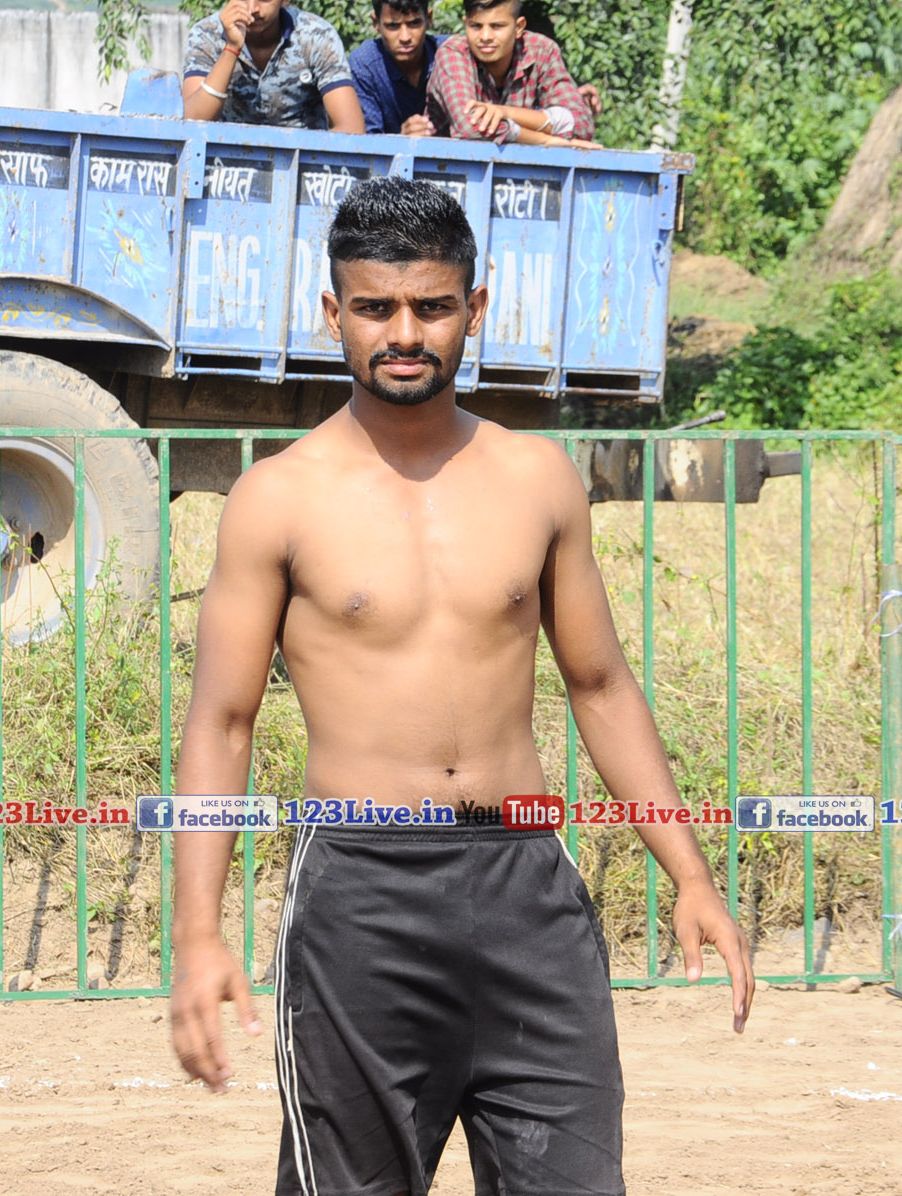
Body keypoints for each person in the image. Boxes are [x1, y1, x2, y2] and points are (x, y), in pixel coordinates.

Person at [167, 177, 754, 1196]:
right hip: (361, 896)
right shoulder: (277, 498)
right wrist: (197, 933)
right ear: (333, 314)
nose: (405, 334)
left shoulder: (537, 479)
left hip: (527, 888)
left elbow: (602, 686)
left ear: (474, 309)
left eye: (432, 307)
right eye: (375, 308)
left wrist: (691, 876)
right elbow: (221, 722)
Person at [425, 0, 598, 148]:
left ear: (518, 27)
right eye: (476, 26)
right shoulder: (453, 53)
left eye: (497, 26)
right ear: (465, 24)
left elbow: (582, 125)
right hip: (446, 169)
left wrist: (504, 112)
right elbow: (469, 127)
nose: (485, 36)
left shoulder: (542, 51)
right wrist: (543, 140)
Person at [182, 0, 365, 133]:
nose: (252, 8)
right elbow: (192, 123)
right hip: (225, 166)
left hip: (302, 164)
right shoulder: (206, 34)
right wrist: (231, 48)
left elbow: (351, 129)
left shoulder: (316, 35)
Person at [347, 0, 446, 136]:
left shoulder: (450, 54)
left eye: (414, 23)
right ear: (376, 23)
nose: (405, 37)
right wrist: (401, 140)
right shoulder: (364, 65)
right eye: (393, 26)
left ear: (428, 20)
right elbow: (366, 141)